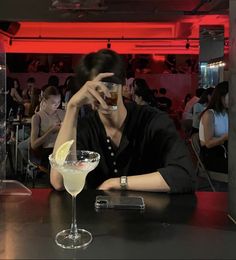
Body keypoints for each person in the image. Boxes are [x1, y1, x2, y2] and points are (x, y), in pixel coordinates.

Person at [51, 49, 195, 193]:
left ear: (123, 84)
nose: (103, 95)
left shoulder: (152, 121)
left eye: (108, 86)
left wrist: (117, 183)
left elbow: (184, 175)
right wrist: (72, 107)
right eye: (95, 89)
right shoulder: (85, 127)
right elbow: (59, 181)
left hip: (149, 213)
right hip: (95, 214)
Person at [31, 86, 65, 170]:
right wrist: (51, 131)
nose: (57, 105)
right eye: (53, 102)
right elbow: (34, 144)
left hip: (62, 149)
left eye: (59, 102)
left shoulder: (62, 113)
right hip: (47, 151)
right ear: (45, 101)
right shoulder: (37, 117)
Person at [199, 81, 228, 173]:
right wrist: (225, 137)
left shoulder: (227, 113)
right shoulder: (209, 114)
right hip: (211, 155)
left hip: (224, 151)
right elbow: (208, 143)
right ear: (220, 97)